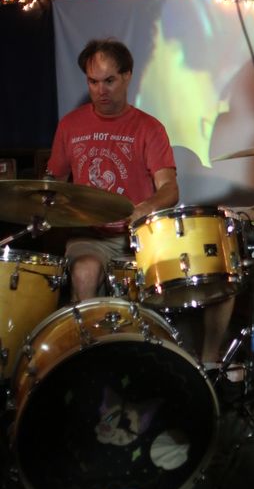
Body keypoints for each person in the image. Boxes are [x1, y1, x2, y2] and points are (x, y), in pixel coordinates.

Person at [47, 38, 179, 301]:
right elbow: (53, 183)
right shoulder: (70, 125)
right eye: (93, 82)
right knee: (85, 271)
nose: (100, 91)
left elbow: (170, 188)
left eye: (109, 81)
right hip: (88, 236)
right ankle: (89, 329)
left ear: (127, 76)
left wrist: (145, 207)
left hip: (137, 235)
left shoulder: (149, 128)